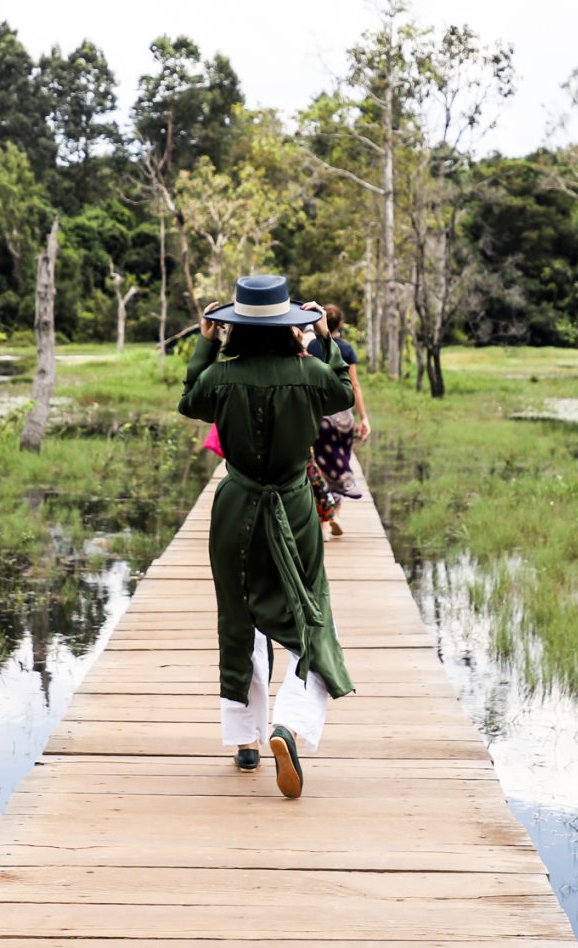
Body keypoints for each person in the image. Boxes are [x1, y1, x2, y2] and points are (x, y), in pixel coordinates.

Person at [178, 274, 356, 799]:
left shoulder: (221, 378)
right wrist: (323, 336)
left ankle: (245, 741)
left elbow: (191, 399)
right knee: (308, 615)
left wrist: (205, 341)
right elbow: (342, 391)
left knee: (240, 619)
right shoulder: (308, 371)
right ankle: (289, 725)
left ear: (233, 326)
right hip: (294, 505)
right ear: (288, 325)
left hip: (235, 508)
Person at [306, 304, 369, 534]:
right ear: (340, 324)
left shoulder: (312, 346)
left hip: (319, 416)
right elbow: (355, 386)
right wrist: (364, 418)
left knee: (319, 466)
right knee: (339, 464)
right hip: (343, 419)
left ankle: (324, 517)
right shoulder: (347, 348)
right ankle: (336, 514)